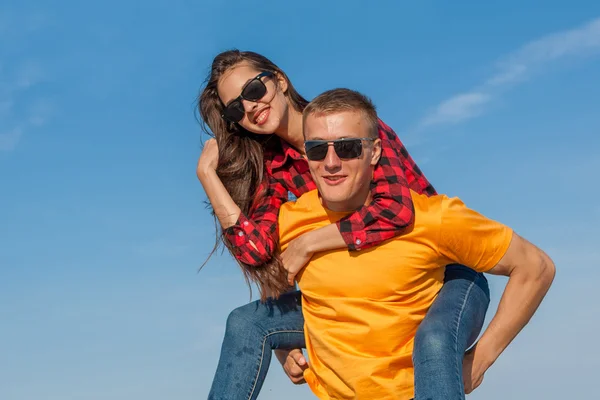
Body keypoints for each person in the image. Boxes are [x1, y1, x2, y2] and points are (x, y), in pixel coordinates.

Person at [197, 50, 488, 399]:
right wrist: (207, 177)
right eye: (235, 108)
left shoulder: (348, 125)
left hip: (439, 274)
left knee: (435, 340)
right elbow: (259, 250)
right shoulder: (275, 170)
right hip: (361, 290)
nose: (249, 107)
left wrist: (310, 242)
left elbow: (395, 209)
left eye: (254, 90)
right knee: (245, 323)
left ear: (279, 80)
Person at [276, 88, 555, 399]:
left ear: (375, 152)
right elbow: (277, 284)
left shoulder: (430, 219)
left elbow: (535, 267)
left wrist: (479, 360)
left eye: (348, 148)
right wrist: (284, 346)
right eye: (317, 150)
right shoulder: (290, 220)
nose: (330, 162)